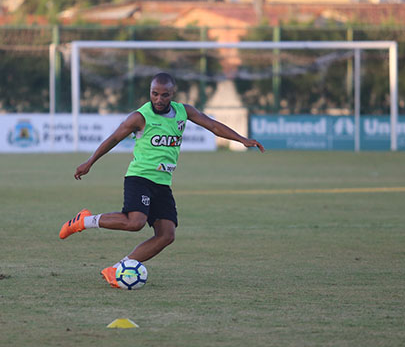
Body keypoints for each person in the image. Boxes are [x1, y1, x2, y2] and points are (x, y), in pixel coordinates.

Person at [59, 72, 265, 287]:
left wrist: (242, 139)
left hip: (163, 183)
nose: (158, 99)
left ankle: (118, 269)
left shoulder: (183, 111)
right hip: (139, 177)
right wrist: (90, 162)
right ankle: (83, 221)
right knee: (135, 222)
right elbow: (113, 138)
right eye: (154, 94)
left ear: (172, 94)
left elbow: (212, 126)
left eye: (164, 95)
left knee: (167, 235)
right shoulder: (140, 117)